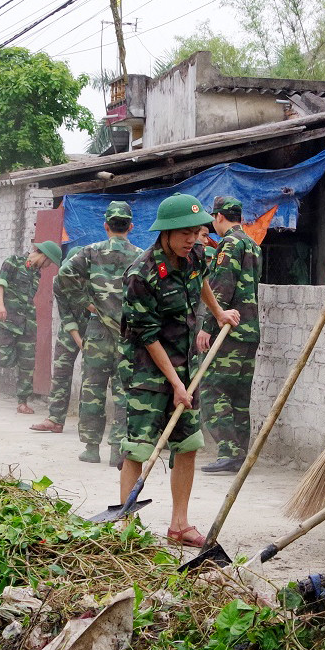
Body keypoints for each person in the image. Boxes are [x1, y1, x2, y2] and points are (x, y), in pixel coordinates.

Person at [118, 192, 239, 545]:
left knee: (187, 443)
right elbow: (148, 336)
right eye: (185, 233)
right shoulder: (141, 274)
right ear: (166, 232)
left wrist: (218, 313)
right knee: (139, 447)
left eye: (197, 231)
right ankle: (125, 524)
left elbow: (199, 279)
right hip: (148, 370)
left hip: (187, 366)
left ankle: (179, 524)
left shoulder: (195, 255)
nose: (193, 239)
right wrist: (174, 383)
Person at [57, 201, 142, 464]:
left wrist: (85, 301)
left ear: (105, 225)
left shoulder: (89, 252)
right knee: (124, 391)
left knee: (92, 388)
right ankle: (118, 449)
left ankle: (91, 448)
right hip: (127, 333)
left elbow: (63, 275)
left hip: (96, 331)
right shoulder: (141, 255)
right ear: (130, 226)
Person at [199, 196, 262, 474]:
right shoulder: (252, 244)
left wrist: (207, 326)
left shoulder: (230, 244)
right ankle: (239, 455)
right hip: (249, 331)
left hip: (230, 331)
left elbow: (221, 286)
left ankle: (228, 451)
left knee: (212, 390)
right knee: (239, 396)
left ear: (220, 217)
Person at [0, 241, 61, 414]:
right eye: (49, 262)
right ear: (43, 255)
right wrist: (0, 305)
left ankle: (22, 401)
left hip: (28, 323)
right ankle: (12, 351)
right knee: (2, 358)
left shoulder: (36, 274)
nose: (48, 266)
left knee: (28, 362)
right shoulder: (13, 261)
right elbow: (0, 283)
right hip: (7, 318)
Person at [31, 239, 84, 436]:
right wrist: (79, 341)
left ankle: (88, 424)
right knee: (61, 370)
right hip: (70, 330)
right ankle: (55, 419)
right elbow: (67, 315)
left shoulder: (96, 283)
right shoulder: (61, 281)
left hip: (96, 330)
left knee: (92, 376)